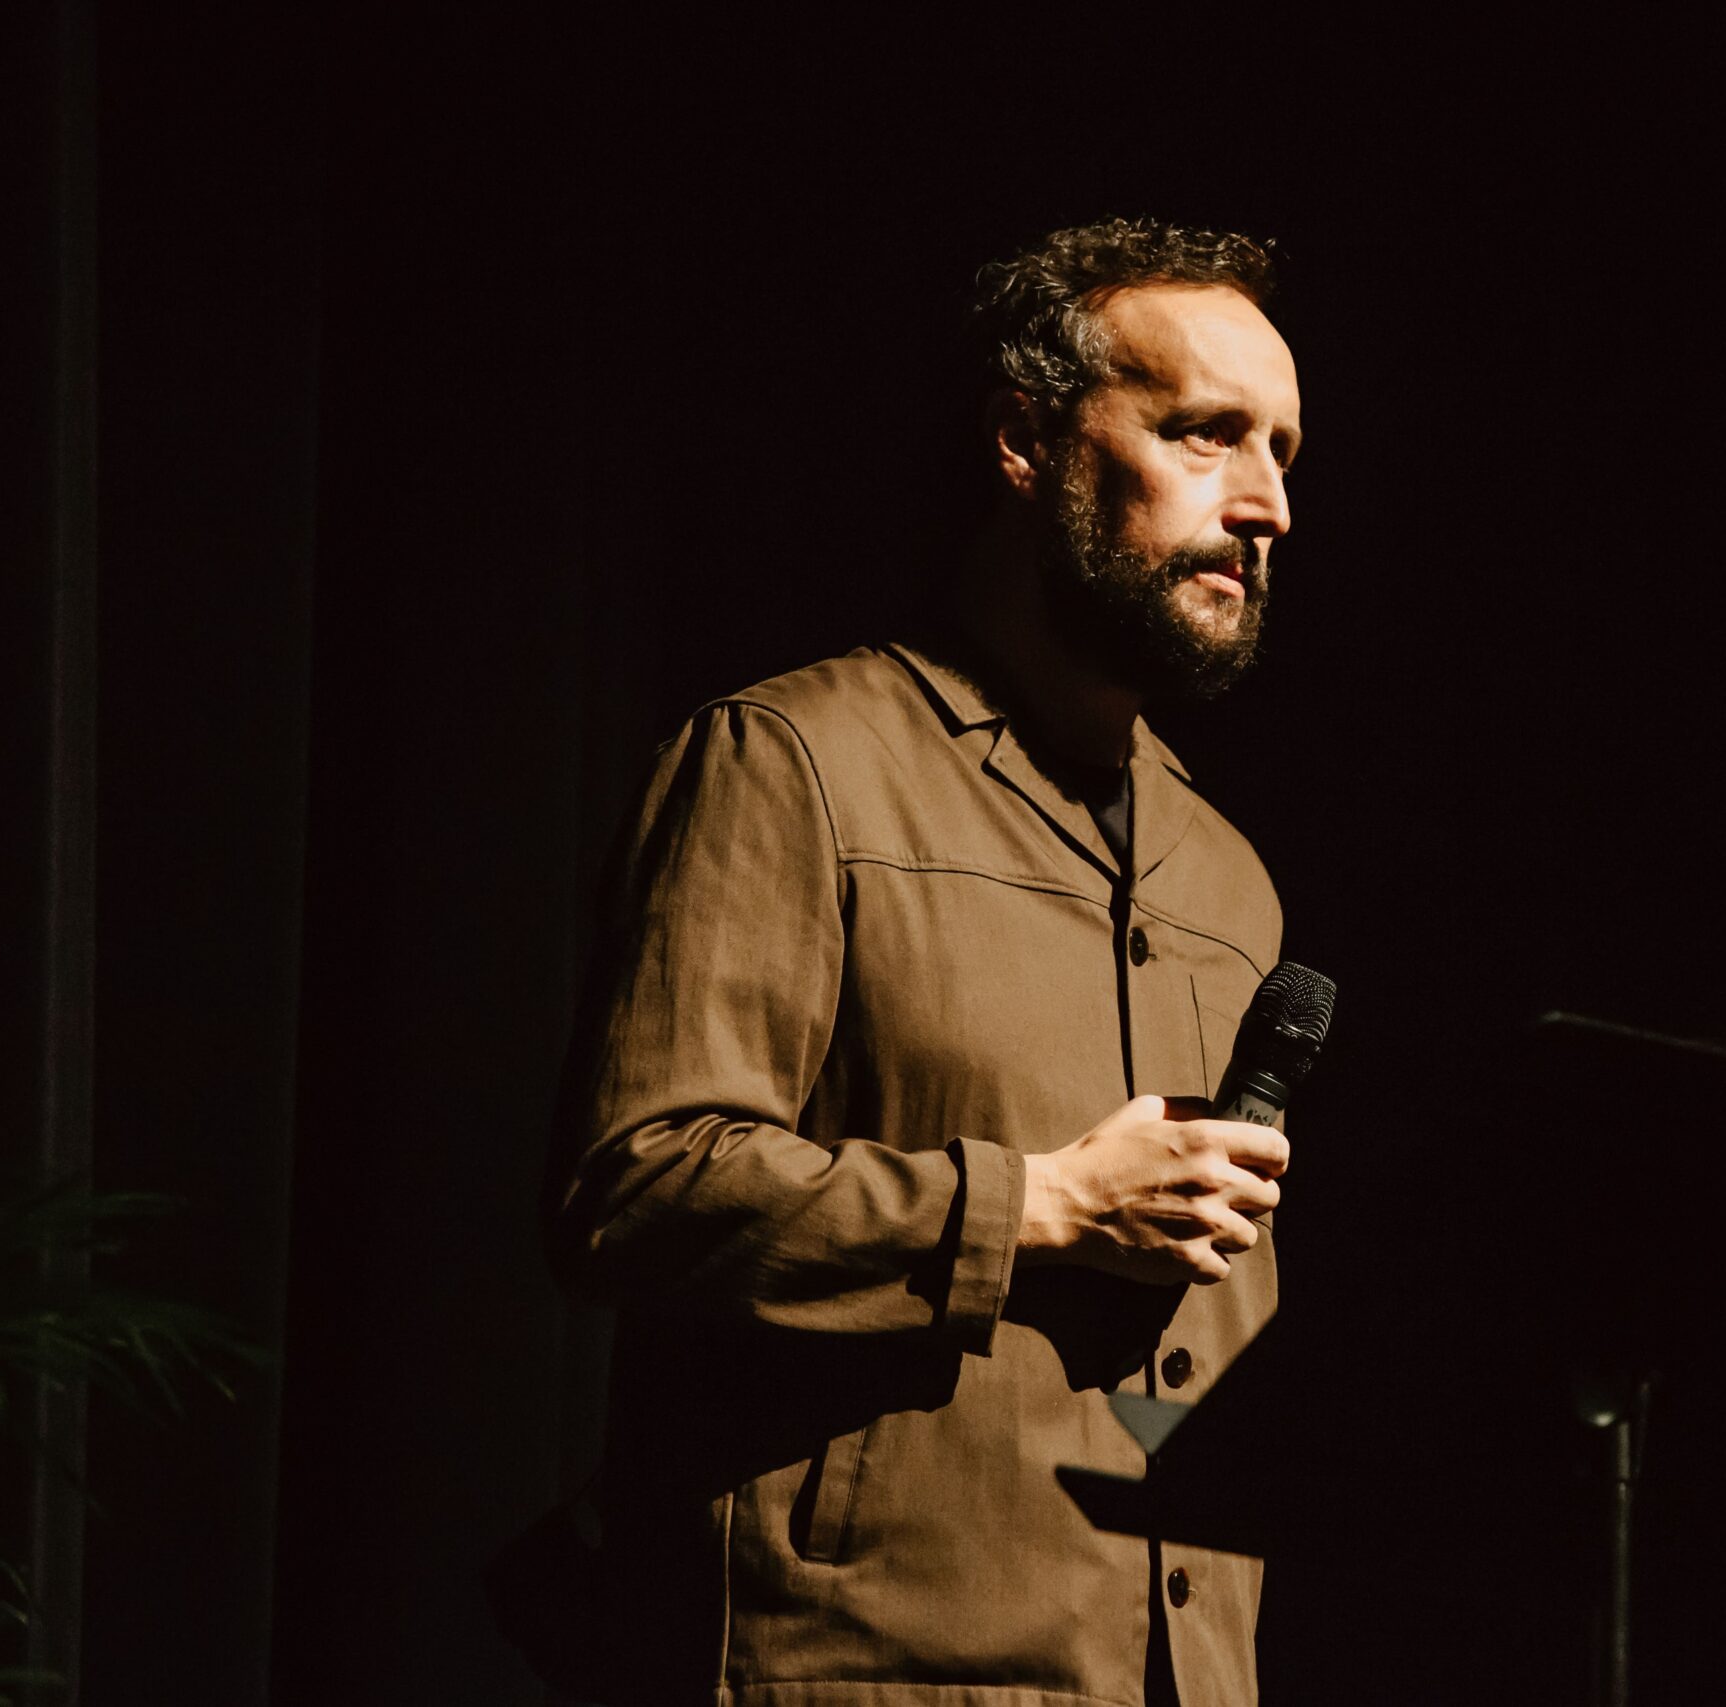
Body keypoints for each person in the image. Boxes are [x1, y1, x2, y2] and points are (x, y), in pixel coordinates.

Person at [537, 218, 1305, 1707]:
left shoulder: (1232, 880)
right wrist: (1036, 1204)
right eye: (1206, 435)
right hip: (865, 1670)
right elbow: (633, 1188)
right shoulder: (796, 764)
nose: (1267, 502)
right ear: (1027, 440)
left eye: (1284, 450)